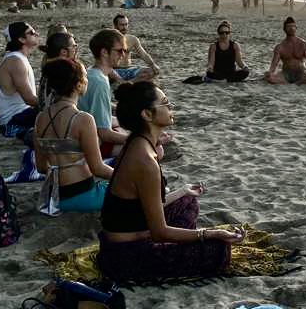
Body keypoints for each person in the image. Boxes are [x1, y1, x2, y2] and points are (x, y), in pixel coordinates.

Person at [97, 82, 242, 282]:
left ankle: (181, 245)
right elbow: (159, 232)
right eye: (165, 103)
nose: (170, 106)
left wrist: (182, 191)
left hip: (122, 242)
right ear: (147, 114)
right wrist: (208, 233)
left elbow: (146, 205)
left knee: (187, 202)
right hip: (125, 257)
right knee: (219, 249)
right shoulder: (144, 160)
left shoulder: (139, 143)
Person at [35, 59, 114, 212]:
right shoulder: (83, 119)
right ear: (79, 85)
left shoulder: (40, 118)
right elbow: (98, 169)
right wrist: (124, 176)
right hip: (82, 194)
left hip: (54, 197)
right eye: (85, 77)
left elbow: (41, 167)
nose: (87, 80)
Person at [78, 29, 130, 158]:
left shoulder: (91, 72)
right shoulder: (100, 81)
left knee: (124, 126)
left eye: (124, 51)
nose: (123, 55)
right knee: (156, 149)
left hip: (83, 131)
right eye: (119, 51)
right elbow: (104, 133)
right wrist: (143, 140)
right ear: (104, 52)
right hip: (89, 142)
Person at [0, 22, 41, 136]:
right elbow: (29, 99)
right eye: (32, 32)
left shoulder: (19, 58)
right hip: (14, 121)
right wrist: (56, 105)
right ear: (21, 39)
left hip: (22, 115)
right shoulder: (15, 61)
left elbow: (30, 90)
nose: (37, 34)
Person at [264, 17, 306, 85]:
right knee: (269, 77)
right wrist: (269, 72)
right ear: (284, 29)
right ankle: (287, 83)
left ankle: (297, 83)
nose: (291, 28)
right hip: (285, 75)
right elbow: (273, 66)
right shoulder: (280, 47)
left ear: (296, 28)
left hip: (301, 74)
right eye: (289, 26)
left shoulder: (303, 44)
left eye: (293, 26)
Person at [111, 14, 159, 83]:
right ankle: (128, 84)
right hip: (114, 71)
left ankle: (129, 83)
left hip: (128, 69)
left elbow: (143, 54)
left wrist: (153, 64)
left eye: (126, 24)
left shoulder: (132, 39)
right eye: (122, 25)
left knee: (151, 71)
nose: (124, 27)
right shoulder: (109, 39)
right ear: (115, 26)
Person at [38, 30, 78, 111]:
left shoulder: (48, 67)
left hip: (46, 115)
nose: (76, 49)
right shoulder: (64, 71)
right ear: (63, 52)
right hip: (60, 116)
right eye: (74, 46)